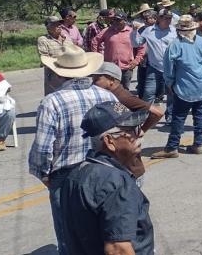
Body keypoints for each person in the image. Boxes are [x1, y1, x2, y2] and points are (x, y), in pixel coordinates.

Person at [28, 44, 116, 253]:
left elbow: (42, 147)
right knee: (103, 227)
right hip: (105, 170)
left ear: (59, 74)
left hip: (67, 175)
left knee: (69, 234)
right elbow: (124, 131)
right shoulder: (108, 96)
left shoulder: (52, 102)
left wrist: (43, 174)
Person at [58, 101, 154, 254]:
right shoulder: (117, 183)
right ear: (110, 141)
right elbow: (118, 249)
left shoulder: (75, 174)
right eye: (131, 130)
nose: (140, 133)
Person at [152, 15, 202, 159]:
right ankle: (198, 144)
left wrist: (169, 83)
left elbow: (168, 68)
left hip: (184, 88)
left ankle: (172, 147)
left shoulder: (175, 45)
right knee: (199, 116)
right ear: (194, 28)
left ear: (179, 30)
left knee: (178, 118)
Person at [89, 62, 162, 180]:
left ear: (111, 80)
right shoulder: (109, 95)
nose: (93, 83)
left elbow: (157, 112)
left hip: (128, 170)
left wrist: (142, 130)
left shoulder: (122, 97)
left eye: (97, 79)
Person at [131, 10, 177, 117]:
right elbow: (136, 44)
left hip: (171, 69)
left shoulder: (174, 31)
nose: (168, 20)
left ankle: (170, 116)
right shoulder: (148, 31)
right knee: (148, 93)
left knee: (171, 94)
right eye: (166, 18)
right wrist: (134, 32)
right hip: (154, 68)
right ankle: (142, 116)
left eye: (170, 18)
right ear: (159, 18)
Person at [92, 10, 145, 90]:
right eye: (114, 20)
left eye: (118, 20)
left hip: (126, 67)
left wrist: (136, 60)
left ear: (125, 21)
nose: (115, 22)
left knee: (124, 91)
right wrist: (97, 57)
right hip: (110, 67)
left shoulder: (131, 32)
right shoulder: (107, 31)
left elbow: (142, 46)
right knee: (109, 89)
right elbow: (95, 41)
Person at [38, 15, 74, 95]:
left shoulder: (66, 38)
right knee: (55, 98)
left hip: (70, 73)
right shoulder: (43, 40)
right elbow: (44, 59)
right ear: (48, 28)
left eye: (59, 24)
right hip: (54, 76)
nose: (59, 26)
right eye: (55, 25)